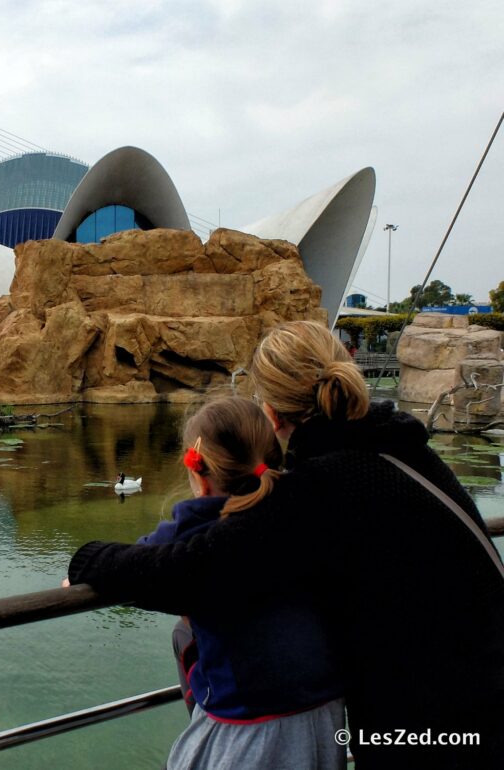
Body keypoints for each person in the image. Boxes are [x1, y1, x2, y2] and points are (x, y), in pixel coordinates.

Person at [67, 320, 504, 769]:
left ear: (272, 415)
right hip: (480, 688)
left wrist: (89, 559)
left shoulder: (323, 488)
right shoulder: (401, 449)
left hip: (440, 724)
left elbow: (191, 571)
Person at [142, 397, 345, 769]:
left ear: (199, 476)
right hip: (325, 715)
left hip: (249, 725)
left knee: (182, 634)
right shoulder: (306, 503)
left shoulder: (196, 525)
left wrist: (85, 568)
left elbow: (146, 564)